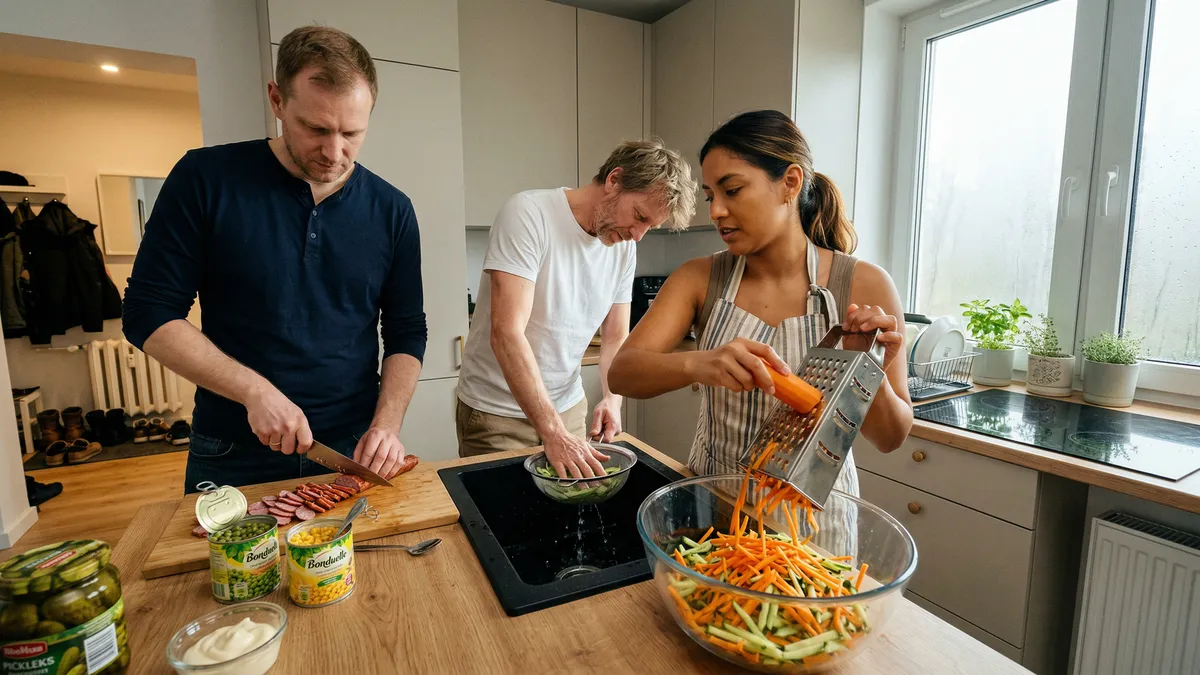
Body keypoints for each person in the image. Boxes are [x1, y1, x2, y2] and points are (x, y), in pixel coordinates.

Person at [122, 26, 426, 492]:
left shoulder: (392, 210)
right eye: (316, 129)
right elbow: (148, 312)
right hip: (232, 451)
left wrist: (386, 424)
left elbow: (406, 330)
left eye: (352, 133)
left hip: (349, 448)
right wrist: (254, 392)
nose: (333, 152)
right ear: (277, 100)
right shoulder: (206, 179)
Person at [608, 110, 913, 526]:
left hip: (812, 529)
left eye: (732, 190)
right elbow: (622, 374)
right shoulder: (700, 278)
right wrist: (699, 363)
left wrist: (864, 370)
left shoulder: (862, 285)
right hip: (710, 509)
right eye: (711, 195)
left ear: (790, 183)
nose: (716, 211)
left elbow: (891, 438)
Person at [456, 140, 696, 478]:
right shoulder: (529, 213)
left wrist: (613, 398)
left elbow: (615, 336)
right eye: (639, 217)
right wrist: (554, 433)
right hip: (498, 414)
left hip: (568, 407)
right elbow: (506, 333)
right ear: (614, 180)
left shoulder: (623, 248)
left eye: (650, 227)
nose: (638, 236)